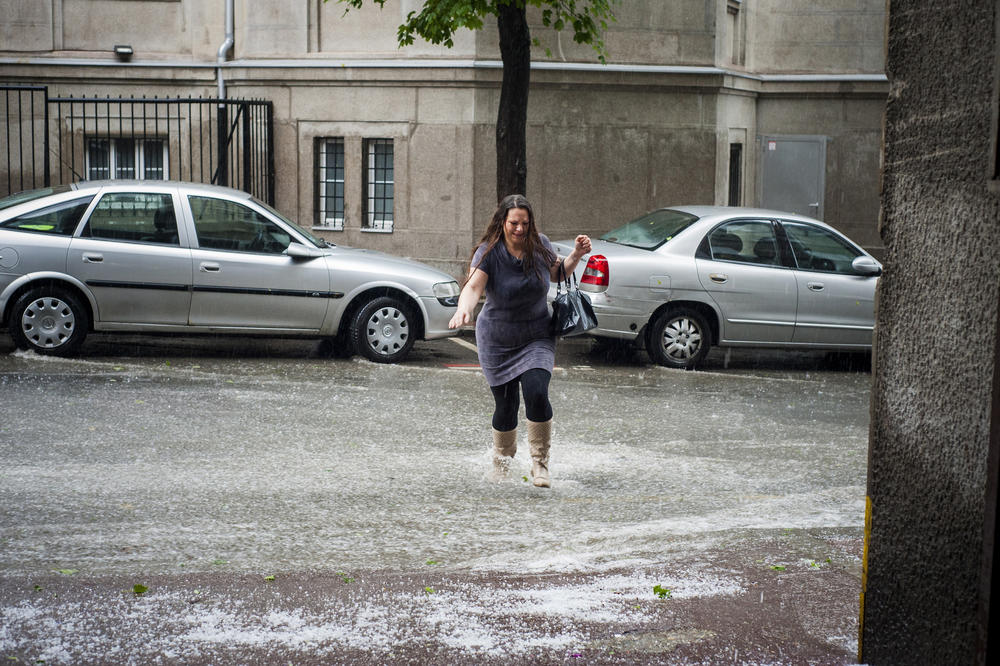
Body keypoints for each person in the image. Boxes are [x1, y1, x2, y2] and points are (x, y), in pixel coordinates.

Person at [448, 194, 591, 488]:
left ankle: (540, 464)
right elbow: (474, 286)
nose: (520, 229)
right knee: (506, 405)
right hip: (497, 339)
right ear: (502, 222)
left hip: (537, 334)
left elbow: (557, 272)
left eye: (525, 223)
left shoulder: (540, 245)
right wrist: (464, 308)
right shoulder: (489, 253)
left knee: (537, 392)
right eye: (514, 223)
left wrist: (575, 255)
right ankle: (502, 464)